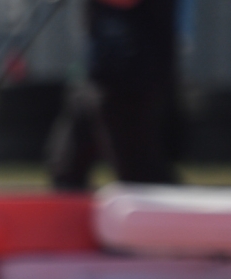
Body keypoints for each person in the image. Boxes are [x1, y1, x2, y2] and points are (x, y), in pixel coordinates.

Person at [48, 0, 179, 189]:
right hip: (97, 77)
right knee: (66, 167)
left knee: (139, 173)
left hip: (133, 79)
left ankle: (180, 205)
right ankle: (70, 202)